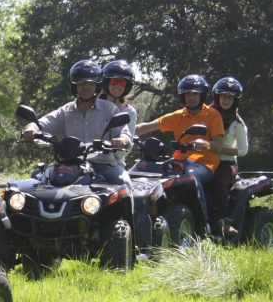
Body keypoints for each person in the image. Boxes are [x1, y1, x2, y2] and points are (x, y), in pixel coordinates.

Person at [22, 59, 133, 189]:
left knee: (124, 183)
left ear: (97, 86)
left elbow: (124, 134)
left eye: (90, 84)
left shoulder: (110, 109)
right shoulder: (65, 111)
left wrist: (121, 140)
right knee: (36, 180)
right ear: (74, 86)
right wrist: (31, 128)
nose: (86, 87)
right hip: (68, 166)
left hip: (102, 165)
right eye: (81, 83)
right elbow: (43, 123)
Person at [135, 74, 225, 226]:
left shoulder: (212, 115)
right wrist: (125, 133)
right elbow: (149, 126)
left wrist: (204, 143)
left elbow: (219, 145)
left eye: (195, 94)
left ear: (201, 95)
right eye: (188, 94)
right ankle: (142, 216)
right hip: (179, 162)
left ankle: (205, 224)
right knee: (147, 169)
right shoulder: (178, 116)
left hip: (205, 165)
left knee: (190, 175)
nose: (191, 97)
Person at [209, 76, 248, 238]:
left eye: (230, 97)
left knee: (218, 181)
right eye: (223, 96)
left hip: (226, 164)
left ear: (235, 100)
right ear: (217, 97)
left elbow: (243, 150)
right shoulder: (207, 115)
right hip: (202, 160)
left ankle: (225, 223)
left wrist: (220, 149)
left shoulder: (237, 123)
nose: (226, 100)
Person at [99, 60, 137, 169]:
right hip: (86, 160)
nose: (118, 86)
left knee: (124, 184)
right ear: (107, 82)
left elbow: (127, 143)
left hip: (114, 163)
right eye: (114, 81)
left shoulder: (129, 112)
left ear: (127, 86)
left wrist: (122, 142)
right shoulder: (93, 106)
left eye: (122, 82)